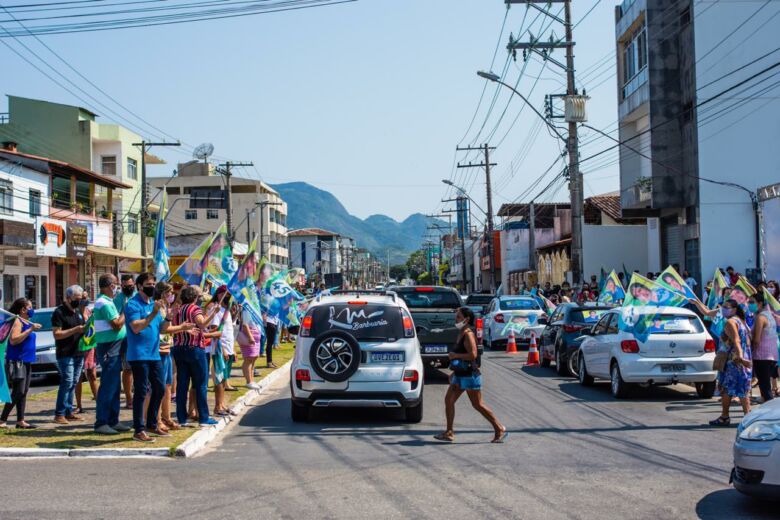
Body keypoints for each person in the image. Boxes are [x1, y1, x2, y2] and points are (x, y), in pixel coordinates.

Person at [125, 273, 194, 442]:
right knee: (141, 391)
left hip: (154, 354)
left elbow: (162, 329)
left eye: (154, 283)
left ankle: (152, 423)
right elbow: (136, 328)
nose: (152, 286)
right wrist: (153, 313)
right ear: (140, 286)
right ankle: (138, 429)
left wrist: (169, 317)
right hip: (139, 355)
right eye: (149, 283)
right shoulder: (133, 304)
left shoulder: (153, 304)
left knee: (160, 388)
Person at [434, 306, 507, 443]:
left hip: (470, 375)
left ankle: (499, 428)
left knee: (477, 404)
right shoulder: (461, 332)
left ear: (466, 319)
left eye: (459, 317)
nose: (456, 319)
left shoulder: (468, 334)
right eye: (456, 316)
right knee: (448, 400)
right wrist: (453, 373)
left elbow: (473, 354)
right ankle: (449, 432)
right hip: (460, 374)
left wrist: (455, 354)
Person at [172, 285, 221, 427]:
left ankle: (182, 417)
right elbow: (201, 324)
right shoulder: (194, 309)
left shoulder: (177, 310)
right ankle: (204, 418)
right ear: (194, 297)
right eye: (199, 296)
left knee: (182, 384)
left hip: (179, 348)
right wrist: (213, 313)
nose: (201, 298)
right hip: (194, 349)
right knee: (200, 384)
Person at [92, 274, 131, 435]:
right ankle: (101, 422)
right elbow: (116, 325)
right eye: (115, 284)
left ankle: (113, 420)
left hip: (115, 346)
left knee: (115, 386)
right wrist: (125, 311)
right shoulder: (103, 303)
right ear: (109, 286)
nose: (117, 286)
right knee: (108, 386)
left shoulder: (108, 301)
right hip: (109, 347)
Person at [709, 299, 752, 426]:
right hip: (739, 360)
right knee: (737, 389)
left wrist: (740, 357)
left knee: (735, 389)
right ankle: (727, 416)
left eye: (727, 307)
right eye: (723, 306)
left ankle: (746, 418)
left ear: (734, 309)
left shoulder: (731, 322)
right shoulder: (740, 321)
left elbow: (737, 340)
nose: (723, 309)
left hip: (733, 362)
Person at [0, 298, 42, 429]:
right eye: (30, 307)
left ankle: (20, 420)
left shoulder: (26, 321)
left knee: (24, 391)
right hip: (18, 360)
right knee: (18, 391)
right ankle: (2, 419)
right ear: (23, 309)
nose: (32, 309)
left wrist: (31, 328)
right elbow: (13, 340)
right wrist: (30, 330)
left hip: (27, 360)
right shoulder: (17, 321)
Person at [51, 285, 87, 425]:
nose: (79, 301)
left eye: (81, 299)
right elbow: (57, 334)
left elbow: (82, 329)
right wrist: (75, 330)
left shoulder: (77, 312)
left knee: (73, 382)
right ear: (67, 298)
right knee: (66, 381)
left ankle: (68, 411)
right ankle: (59, 413)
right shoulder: (59, 312)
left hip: (78, 352)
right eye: (76, 299)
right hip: (65, 353)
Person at [750, 292, 778, 403]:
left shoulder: (760, 318)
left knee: (765, 388)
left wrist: (750, 351)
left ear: (760, 303)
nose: (749, 304)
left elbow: (756, 340)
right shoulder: (769, 315)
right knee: (765, 386)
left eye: (752, 302)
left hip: (762, 356)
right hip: (771, 355)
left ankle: (771, 415)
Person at [114, 274, 136, 410]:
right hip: (125, 338)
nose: (129, 287)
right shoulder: (119, 299)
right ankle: (129, 398)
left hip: (138, 337)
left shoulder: (137, 296)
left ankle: (138, 397)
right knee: (127, 369)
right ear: (121, 286)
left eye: (131, 285)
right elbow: (115, 320)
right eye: (126, 286)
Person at [75, 293, 98, 415]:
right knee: (78, 376)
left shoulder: (89, 312)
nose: (86, 300)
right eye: (83, 298)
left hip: (90, 346)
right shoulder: (75, 313)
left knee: (92, 374)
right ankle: (78, 405)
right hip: (78, 347)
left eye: (87, 297)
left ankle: (99, 402)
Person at [238, 304, 262, 389]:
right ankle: (249, 381)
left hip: (256, 334)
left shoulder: (254, 307)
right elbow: (245, 325)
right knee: (248, 359)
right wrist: (250, 337)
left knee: (254, 359)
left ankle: (251, 380)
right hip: (249, 336)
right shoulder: (246, 308)